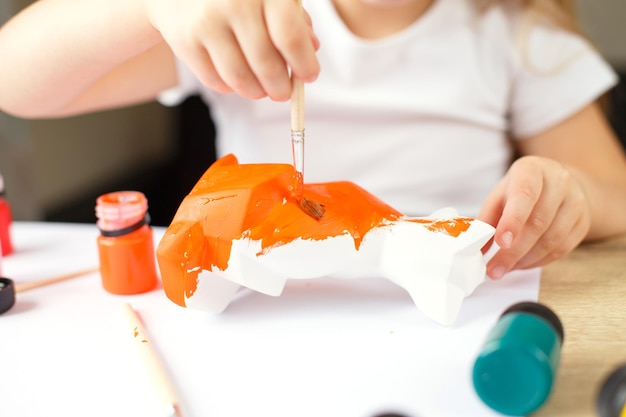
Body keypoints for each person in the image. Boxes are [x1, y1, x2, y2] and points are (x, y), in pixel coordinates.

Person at [0, 0, 625, 281]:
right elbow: (14, 79)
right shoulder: (238, 19)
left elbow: (615, 195)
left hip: (450, 296)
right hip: (267, 302)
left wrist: (568, 194)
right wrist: (154, 7)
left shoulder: (515, 34)